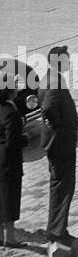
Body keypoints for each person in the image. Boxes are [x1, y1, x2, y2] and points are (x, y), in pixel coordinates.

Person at [41, 46, 78, 245]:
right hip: (60, 143)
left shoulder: (52, 77)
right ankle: (57, 230)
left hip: (58, 142)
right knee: (62, 187)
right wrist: (56, 125)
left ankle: (57, 227)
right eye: (67, 59)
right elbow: (48, 107)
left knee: (61, 186)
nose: (70, 62)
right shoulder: (55, 82)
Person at [0, 87, 28, 247]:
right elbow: (13, 142)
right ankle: (9, 237)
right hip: (9, 163)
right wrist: (25, 139)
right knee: (9, 199)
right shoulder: (12, 112)